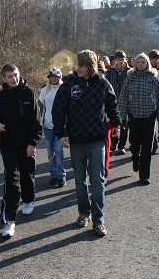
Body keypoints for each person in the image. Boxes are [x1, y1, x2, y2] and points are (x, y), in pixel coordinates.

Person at [52, 50, 121, 236]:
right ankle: (84, 213)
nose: (78, 68)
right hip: (76, 140)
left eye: (82, 65)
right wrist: (61, 133)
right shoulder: (69, 84)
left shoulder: (103, 83)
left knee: (97, 180)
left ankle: (99, 220)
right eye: (77, 64)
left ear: (91, 65)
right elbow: (58, 109)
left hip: (96, 139)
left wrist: (116, 124)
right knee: (80, 180)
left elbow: (112, 105)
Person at [0, 64, 42, 237]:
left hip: (26, 144)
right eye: (9, 76)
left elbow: (37, 122)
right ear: (3, 79)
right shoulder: (0, 97)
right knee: (11, 181)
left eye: (15, 75)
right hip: (8, 146)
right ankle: (9, 222)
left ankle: (28, 199)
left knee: (27, 175)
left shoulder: (29, 94)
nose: (14, 78)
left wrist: (33, 143)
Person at [117, 53, 159, 185]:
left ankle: (144, 175)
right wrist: (121, 117)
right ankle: (135, 158)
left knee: (147, 145)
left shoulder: (153, 78)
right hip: (134, 115)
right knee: (134, 144)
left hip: (149, 115)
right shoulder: (130, 78)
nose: (140, 64)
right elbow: (123, 98)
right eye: (138, 62)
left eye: (143, 62)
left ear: (147, 64)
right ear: (134, 64)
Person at [38, 67, 66, 187]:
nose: (54, 78)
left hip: (61, 127)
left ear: (59, 77)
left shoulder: (64, 89)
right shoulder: (44, 91)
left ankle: (61, 176)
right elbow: (39, 108)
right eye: (52, 76)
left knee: (58, 150)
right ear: (49, 78)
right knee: (50, 153)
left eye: (56, 76)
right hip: (48, 126)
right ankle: (53, 175)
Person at [105, 50, 130, 155]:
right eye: (118, 59)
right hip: (113, 101)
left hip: (125, 101)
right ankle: (114, 141)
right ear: (115, 60)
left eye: (122, 59)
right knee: (113, 122)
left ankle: (122, 146)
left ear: (125, 59)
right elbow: (106, 84)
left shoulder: (129, 71)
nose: (120, 61)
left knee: (124, 123)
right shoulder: (110, 71)